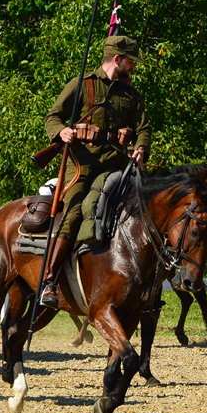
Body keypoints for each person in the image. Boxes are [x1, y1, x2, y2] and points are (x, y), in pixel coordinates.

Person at [38, 35, 152, 310]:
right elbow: (53, 116)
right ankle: (50, 281)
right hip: (82, 164)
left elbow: (144, 128)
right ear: (117, 59)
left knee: (146, 211)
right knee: (76, 210)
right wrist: (61, 131)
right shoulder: (82, 84)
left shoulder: (131, 95)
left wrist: (141, 148)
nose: (133, 67)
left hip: (116, 166)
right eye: (130, 62)